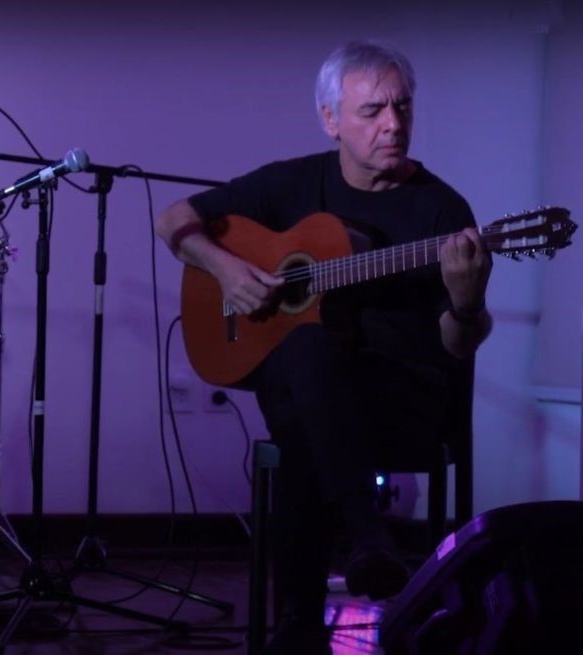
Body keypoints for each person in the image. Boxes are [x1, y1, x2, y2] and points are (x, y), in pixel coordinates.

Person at [154, 40, 492, 654]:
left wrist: (467, 302)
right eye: (372, 111)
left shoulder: (443, 209)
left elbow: (458, 346)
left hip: (402, 394)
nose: (394, 124)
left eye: (403, 106)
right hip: (316, 390)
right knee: (307, 356)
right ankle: (367, 534)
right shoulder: (292, 182)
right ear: (330, 119)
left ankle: (299, 623)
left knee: (300, 392)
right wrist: (225, 269)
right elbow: (174, 217)